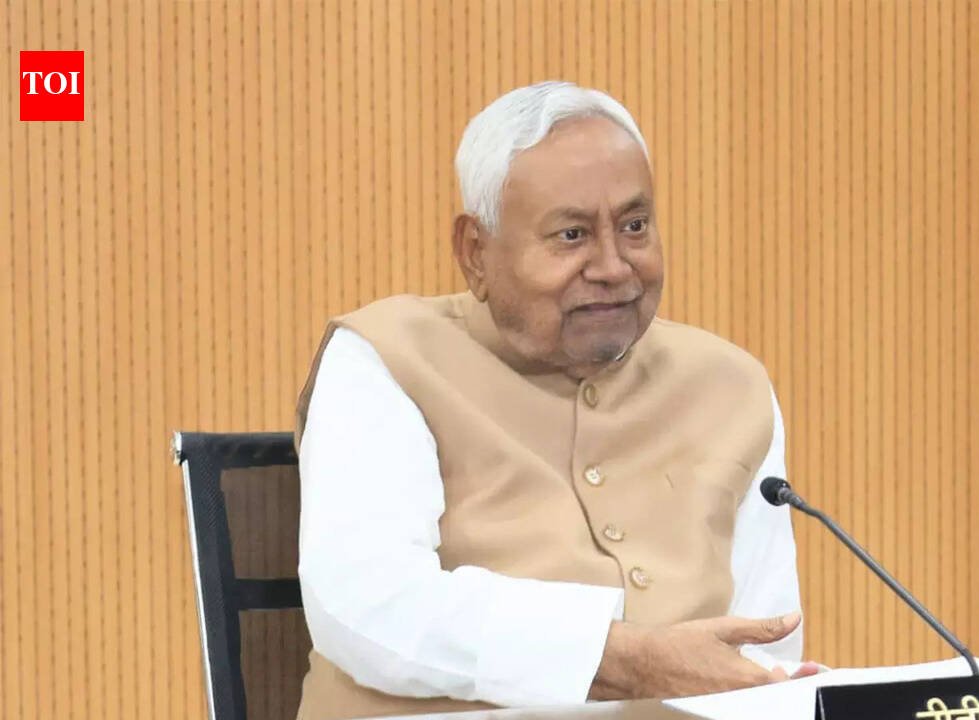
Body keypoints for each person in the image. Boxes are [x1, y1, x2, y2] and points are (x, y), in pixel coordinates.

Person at [294, 81, 819, 720]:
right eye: (572, 235)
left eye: (634, 227)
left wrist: (776, 688)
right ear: (475, 253)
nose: (613, 266)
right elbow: (370, 608)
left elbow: (762, 643)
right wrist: (615, 658)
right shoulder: (387, 359)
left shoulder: (729, 386)